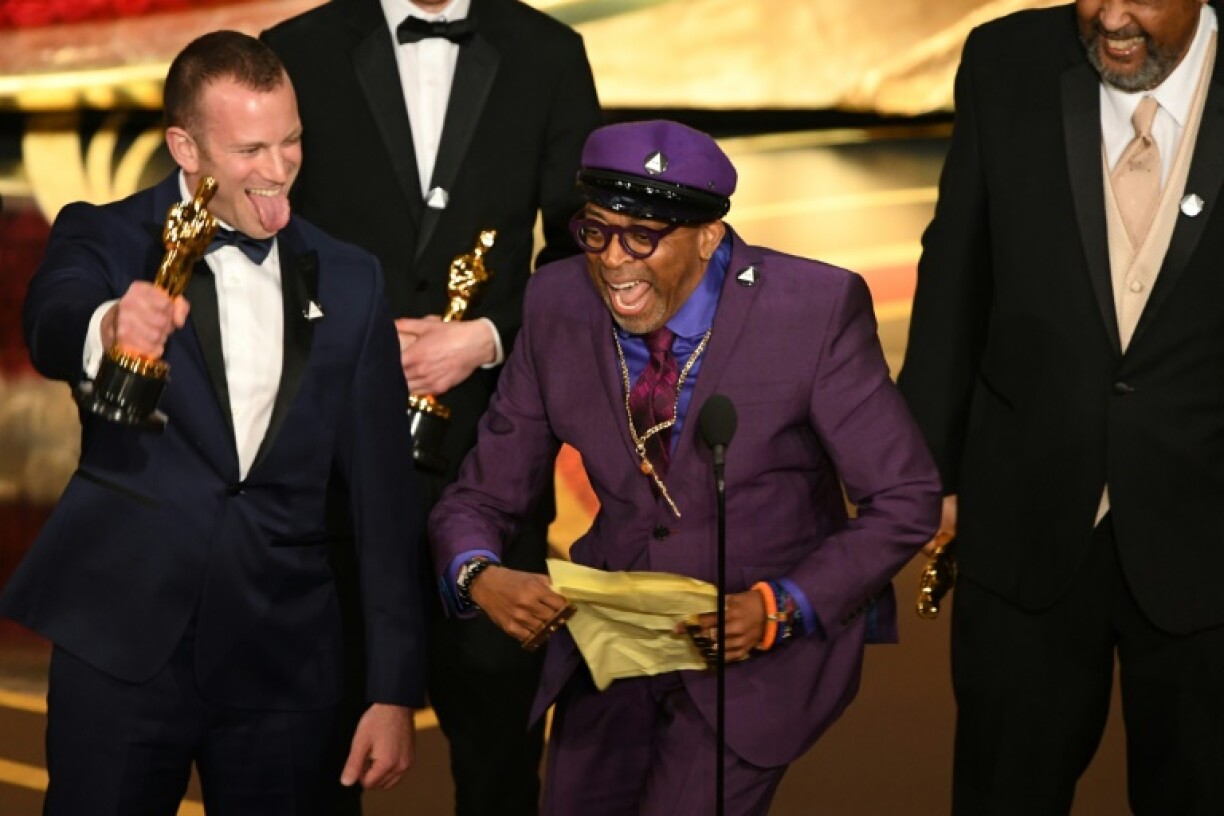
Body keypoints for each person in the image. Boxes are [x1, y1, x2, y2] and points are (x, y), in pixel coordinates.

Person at [430, 119, 942, 814]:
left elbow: (906, 496)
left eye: (642, 236)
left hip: (752, 655)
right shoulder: (556, 302)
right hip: (613, 646)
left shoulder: (812, 311)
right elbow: (482, 493)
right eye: (597, 231)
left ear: (708, 236)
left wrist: (781, 606)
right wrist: (477, 573)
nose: (613, 260)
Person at [0, 31, 425, 814]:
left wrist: (393, 687)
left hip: (285, 657)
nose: (279, 168)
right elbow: (52, 317)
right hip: (121, 643)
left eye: (291, 140)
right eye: (251, 149)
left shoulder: (352, 278)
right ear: (185, 148)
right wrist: (108, 326)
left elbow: (384, 496)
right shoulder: (106, 234)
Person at [262, 1, 600, 812]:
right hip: (326, 471)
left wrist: (487, 336)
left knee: (499, 760)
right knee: (317, 756)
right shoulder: (294, 50)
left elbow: (587, 245)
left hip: (491, 463)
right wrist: (344, 335)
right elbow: (257, 233)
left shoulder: (550, 53)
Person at [898, 0, 1224, 812]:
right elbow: (956, 267)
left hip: (1208, 531)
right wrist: (924, 469)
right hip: (1024, 517)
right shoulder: (1004, 61)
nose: (1110, 17)